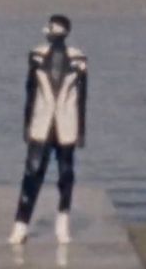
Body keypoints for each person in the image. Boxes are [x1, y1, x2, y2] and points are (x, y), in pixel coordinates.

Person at [8, 14, 88, 245]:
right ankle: (20, 225)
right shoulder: (37, 56)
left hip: (66, 123)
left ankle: (62, 222)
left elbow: (82, 98)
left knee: (66, 174)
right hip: (41, 123)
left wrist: (81, 130)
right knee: (32, 172)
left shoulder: (78, 59)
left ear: (62, 31)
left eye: (52, 27)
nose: (48, 31)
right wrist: (26, 124)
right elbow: (30, 93)